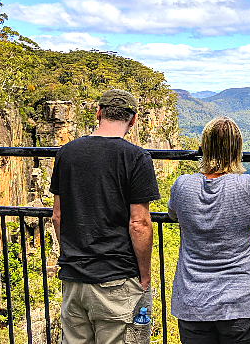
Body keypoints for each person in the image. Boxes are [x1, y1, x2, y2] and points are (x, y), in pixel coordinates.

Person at [50, 88, 160, 344]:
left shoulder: (66, 153)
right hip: (117, 280)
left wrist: (71, 255)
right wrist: (144, 275)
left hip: (74, 279)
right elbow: (139, 223)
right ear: (132, 121)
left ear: (99, 113)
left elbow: (58, 216)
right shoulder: (135, 157)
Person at [167, 117, 250, 344]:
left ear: (203, 147)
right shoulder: (248, 186)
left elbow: (173, 214)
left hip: (192, 302)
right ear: (237, 150)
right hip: (239, 302)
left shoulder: (181, 185)